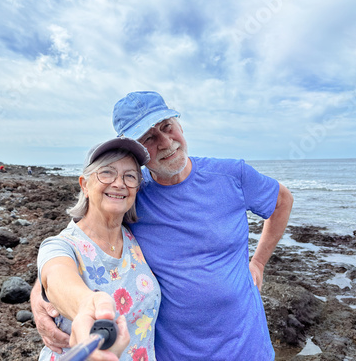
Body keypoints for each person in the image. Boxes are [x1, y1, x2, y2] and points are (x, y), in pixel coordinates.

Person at [32, 91, 294, 360]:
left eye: (167, 127)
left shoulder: (231, 176)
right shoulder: (133, 191)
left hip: (247, 347)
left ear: (179, 125)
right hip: (174, 353)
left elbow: (282, 201)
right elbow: (68, 249)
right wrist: (42, 294)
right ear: (137, 150)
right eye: (149, 138)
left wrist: (259, 262)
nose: (167, 142)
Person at [37, 136, 160, 361]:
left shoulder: (138, 237)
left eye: (130, 176)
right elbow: (55, 277)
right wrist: (86, 306)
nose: (119, 183)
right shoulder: (61, 246)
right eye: (107, 172)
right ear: (84, 184)